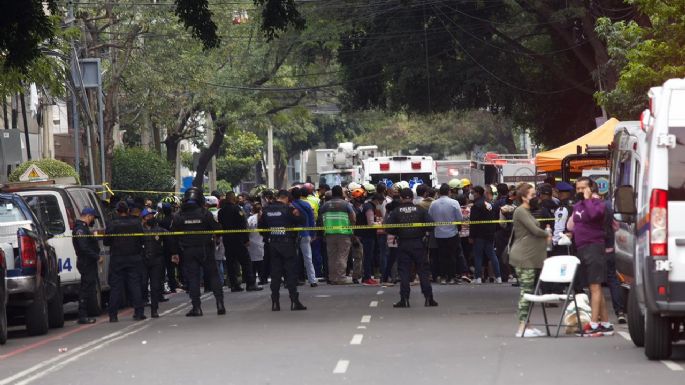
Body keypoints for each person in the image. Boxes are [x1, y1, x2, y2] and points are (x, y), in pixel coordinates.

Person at [568, 177, 613, 336]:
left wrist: (588, 199)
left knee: (595, 286)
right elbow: (571, 224)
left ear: (591, 188)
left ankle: (594, 324)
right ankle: (605, 323)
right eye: (578, 188)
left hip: (594, 247)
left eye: (583, 188)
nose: (579, 191)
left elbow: (594, 215)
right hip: (582, 247)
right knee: (594, 286)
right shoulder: (577, 205)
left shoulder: (598, 204)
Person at [170, 187, 225, 317]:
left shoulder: (179, 216)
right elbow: (217, 228)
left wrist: (174, 252)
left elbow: (172, 235)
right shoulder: (205, 213)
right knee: (213, 276)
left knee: (193, 278)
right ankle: (220, 304)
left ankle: (196, 307)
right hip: (205, 249)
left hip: (188, 250)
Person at [509, 184, 552, 337]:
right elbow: (534, 230)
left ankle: (527, 325)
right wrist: (546, 233)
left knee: (530, 292)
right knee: (526, 292)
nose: (536, 197)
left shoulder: (526, 211)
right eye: (532, 194)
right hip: (524, 257)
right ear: (524, 197)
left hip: (531, 258)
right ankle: (522, 327)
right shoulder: (521, 211)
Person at [386, 188, 437, 308]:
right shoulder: (420, 210)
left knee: (404, 272)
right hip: (419, 244)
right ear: (412, 198)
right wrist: (422, 230)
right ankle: (429, 298)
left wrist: (398, 231)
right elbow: (431, 225)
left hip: (403, 244)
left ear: (401, 198)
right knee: (423, 271)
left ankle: (404, 299)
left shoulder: (396, 211)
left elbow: (388, 228)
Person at [259, 190, 307, 311]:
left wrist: (269, 236)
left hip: (273, 244)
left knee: (275, 274)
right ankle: (294, 302)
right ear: (286, 198)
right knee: (290, 273)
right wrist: (294, 210)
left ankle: (275, 303)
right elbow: (302, 220)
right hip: (288, 244)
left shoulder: (266, 210)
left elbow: (261, 228)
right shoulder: (288, 209)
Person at [104, 201, 146, 322]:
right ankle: (139, 312)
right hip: (134, 257)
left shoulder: (112, 224)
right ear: (128, 211)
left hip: (117, 258)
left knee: (116, 287)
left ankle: (113, 315)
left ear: (117, 211)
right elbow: (142, 239)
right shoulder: (136, 223)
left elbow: (106, 242)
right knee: (135, 285)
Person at [218, 192, 261, 292]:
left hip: (227, 240)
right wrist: (246, 239)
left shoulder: (221, 211)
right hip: (238, 240)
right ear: (233, 199)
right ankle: (250, 284)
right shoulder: (237, 209)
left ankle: (234, 285)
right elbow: (243, 225)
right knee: (246, 262)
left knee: (231, 263)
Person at [319, 185, 356, 285]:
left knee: (331, 257)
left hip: (329, 234)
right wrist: (351, 228)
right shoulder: (346, 204)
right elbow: (353, 218)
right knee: (342, 256)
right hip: (343, 234)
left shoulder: (325, 205)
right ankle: (341, 277)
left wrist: (324, 232)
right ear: (341, 193)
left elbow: (320, 220)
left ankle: (332, 277)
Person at [428, 184, 463, 285]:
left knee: (441, 256)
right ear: (449, 192)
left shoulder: (433, 204)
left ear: (439, 192)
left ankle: (443, 277)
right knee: (452, 256)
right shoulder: (454, 202)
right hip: (452, 233)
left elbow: (430, 217)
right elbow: (460, 218)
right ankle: (452, 277)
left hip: (438, 234)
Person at [73, 207, 101, 324]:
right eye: (93, 218)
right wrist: (97, 256)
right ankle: (83, 315)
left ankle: (85, 314)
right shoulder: (80, 229)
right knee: (85, 289)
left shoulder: (83, 228)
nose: (93, 220)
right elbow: (84, 248)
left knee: (89, 288)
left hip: (88, 262)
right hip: (86, 262)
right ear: (88, 216)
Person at [469, 186, 502, 284]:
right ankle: (498, 277)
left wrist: (471, 236)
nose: (471, 194)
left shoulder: (476, 206)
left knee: (478, 255)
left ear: (478, 193)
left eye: (473, 192)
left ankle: (478, 277)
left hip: (479, 234)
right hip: (490, 233)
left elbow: (473, 222)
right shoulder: (489, 204)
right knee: (492, 255)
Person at [141, 208, 166, 318]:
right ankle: (140, 310)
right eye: (149, 216)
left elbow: (170, 237)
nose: (151, 217)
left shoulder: (159, 229)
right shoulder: (139, 230)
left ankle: (154, 309)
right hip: (143, 261)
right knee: (142, 285)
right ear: (144, 218)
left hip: (156, 261)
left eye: (152, 215)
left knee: (155, 286)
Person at [291, 188, 318, 287]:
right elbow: (311, 220)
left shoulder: (291, 205)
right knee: (308, 258)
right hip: (305, 234)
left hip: (293, 235)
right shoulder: (307, 204)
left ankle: (295, 278)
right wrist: (313, 233)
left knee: (293, 258)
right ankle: (312, 280)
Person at [359, 192, 384, 286]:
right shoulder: (369, 208)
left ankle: (366, 277)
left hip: (365, 234)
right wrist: (382, 224)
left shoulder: (366, 205)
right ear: (377, 200)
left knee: (367, 256)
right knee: (368, 257)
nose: (380, 204)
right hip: (368, 235)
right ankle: (367, 278)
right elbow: (370, 223)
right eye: (380, 202)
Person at [247, 204, 266, 285]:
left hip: (252, 242)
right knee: (261, 262)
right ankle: (263, 279)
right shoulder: (263, 217)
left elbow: (247, 229)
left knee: (253, 264)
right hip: (261, 242)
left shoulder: (250, 219)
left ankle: (253, 279)